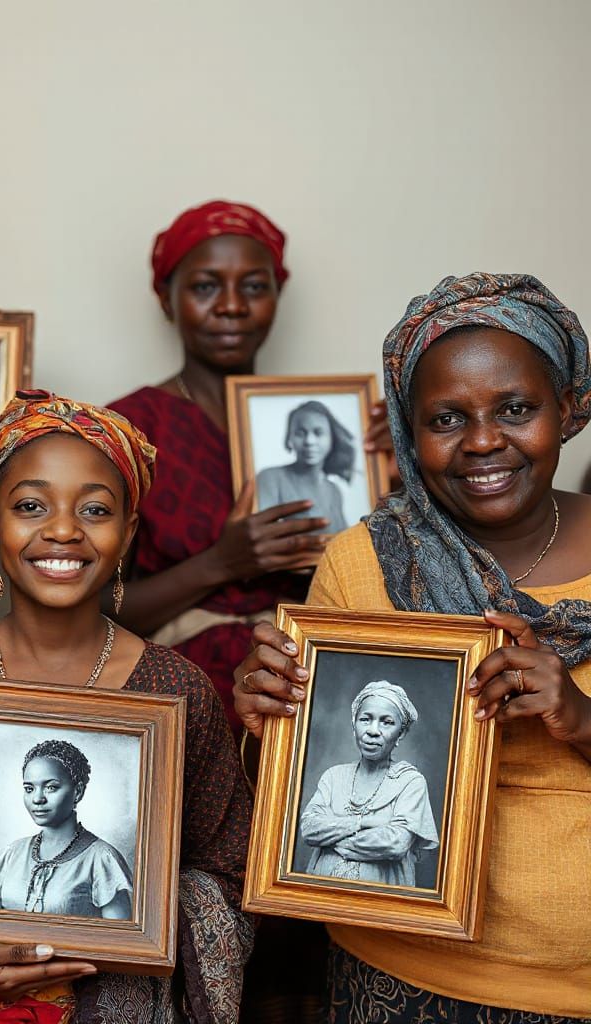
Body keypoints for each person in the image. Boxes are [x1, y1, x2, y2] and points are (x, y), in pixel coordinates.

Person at [235, 272, 591, 1022]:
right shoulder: (361, 565)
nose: (485, 441)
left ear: (566, 408)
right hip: (397, 974)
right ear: (406, 430)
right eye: (447, 418)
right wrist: (267, 720)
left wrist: (580, 717)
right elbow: (294, 795)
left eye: (517, 409)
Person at [0, 390, 253, 1024]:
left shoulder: (179, 690)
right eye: (31, 506)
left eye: (94, 509)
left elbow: (226, 869)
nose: (63, 530)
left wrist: (135, 928)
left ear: (129, 532)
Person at [109, 200, 393, 1023]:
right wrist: (222, 563)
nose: (231, 306)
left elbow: (391, 576)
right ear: (167, 299)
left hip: (307, 697)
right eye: (205, 286)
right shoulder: (133, 427)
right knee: (198, 900)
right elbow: (90, 606)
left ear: (279, 294)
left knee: (320, 888)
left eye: (253, 286)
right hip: (186, 702)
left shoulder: (337, 426)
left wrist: (402, 466)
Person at [298, 681, 437, 886]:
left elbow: (396, 842)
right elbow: (309, 828)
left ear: (401, 733)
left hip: (378, 906)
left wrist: (333, 837)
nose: (373, 731)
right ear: (354, 726)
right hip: (320, 899)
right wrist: (361, 823)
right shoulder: (334, 776)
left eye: (386, 722)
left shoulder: (410, 782)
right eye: (365, 719)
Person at [0, 739, 134, 918]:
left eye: (51, 787)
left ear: (78, 791)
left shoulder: (102, 858)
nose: (37, 799)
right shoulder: (14, 852)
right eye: (29, 788)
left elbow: (117, 941)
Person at [256, 400, 356, 533]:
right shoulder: (270, 478)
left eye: (318, 433)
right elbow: (262, 535)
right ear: (289, 437)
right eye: (300, 433)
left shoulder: (334, 491)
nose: (309, 441)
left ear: (332, 438)